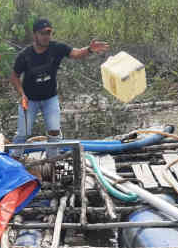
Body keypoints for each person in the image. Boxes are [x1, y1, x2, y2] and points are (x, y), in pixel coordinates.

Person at [9, 18, 109, 157]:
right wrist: (22, 94)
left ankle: (52, 162)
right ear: (35, 35)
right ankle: (14, 161)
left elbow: (76, 53)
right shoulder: (25, 55)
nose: (46, 36)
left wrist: (89, 49)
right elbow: (14, 77)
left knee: (54, 131)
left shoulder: (56, 48)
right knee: (23, 133)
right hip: (29, 99)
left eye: (49, 33)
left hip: (50, 98)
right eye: (42, 33)